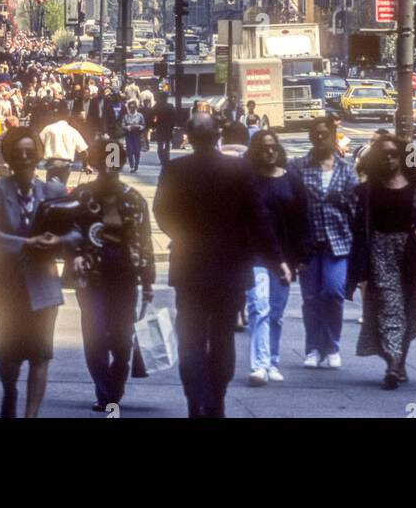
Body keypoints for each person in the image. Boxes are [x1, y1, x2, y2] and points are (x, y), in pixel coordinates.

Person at [153, 112, 278, 418]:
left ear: (190, 139)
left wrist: (180, 235)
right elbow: (257, 215)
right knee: (222, 335)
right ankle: (216, 399)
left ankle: (196, 399)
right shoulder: (239, 169)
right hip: (230, 266)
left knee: (192, 336)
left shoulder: (174, 169)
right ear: (216, 137)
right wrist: (274, 256)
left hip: (190, 264)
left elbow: (161, 211)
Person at [0, 128, 80, 418]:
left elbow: (77, 232)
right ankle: (9, 392)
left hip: (44, 286)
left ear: (38, 156)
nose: (25, 159)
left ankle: (30, 415)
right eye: (19, 154)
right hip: (8, 285)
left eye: (30, 153)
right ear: (10, 157)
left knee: (40, 355)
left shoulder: (54, 191)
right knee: (8, 358)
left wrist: (58, 242)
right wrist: (25, 243)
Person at [347, 134, 416, 388]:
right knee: (390, 304)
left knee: (411, 307)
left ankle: (399, 359)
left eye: (393, 153)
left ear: (402, 155)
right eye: (383, 154)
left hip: (412, 253)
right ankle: (393, 364)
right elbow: (357, 225)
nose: (389, 158)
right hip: (380, 252)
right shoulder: (367, 190)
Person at [70, 135, 156, 411]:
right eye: (104, 164)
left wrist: (148, 280)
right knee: (94, 332)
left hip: (125, 273)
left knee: (121, 337)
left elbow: (144, 241)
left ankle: (114, 387)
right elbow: (68, 233)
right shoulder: (81, 198)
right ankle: (105, 391)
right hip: (92, 274)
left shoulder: (135, 200)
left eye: (113, 164)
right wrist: (74, 257)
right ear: (96, 164)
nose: (108, 170)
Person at [290, 114, 359, 369]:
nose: (320, 138)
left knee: (332, 292)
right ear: (311, 137)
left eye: (325, 134)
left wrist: (343, 203)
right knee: (311, 298)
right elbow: (291, 204)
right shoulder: (298, 167)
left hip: (338, 243)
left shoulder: (346, 169)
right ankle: (312, 349)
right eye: (316, 134)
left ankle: (331, 346)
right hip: (308, 244)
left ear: (333, 137)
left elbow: (356, 208)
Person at [246, 129, 309, 385]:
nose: (269, 151)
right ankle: (259, 365)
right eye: (264, 147)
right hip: (256, 256)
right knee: (259, 307)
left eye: (273, 147)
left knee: (276, 313)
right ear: (256, 152)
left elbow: (303, 219)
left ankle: (272, 360)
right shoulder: (249, 181)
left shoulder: (292, 180)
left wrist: (301, 255)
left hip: (285, 256)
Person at [38, 102, 89, 186]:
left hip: (52, 162)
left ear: (56, 115)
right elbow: (84, 151)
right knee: (62, 187)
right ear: (68, 116)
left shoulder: (49, 128)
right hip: (66, 164)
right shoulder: (73, 131)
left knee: (50, 188)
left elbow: (38, 144)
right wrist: (86, 165)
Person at [121, 97, 146, 173]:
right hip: (129, 134)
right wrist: (128, 127)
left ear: (136, 107)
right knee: (130, 151)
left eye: (133, 107)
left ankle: (136, 165)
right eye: (130, 107)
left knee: (137, 151)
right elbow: (122, 124)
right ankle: (131, 166)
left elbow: (143, 125)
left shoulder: (140, 116)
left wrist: (139, 127)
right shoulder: (126, 116)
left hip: (137, 135)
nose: (132, 108)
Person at [153, 93, 177, 168]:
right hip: (168, 128)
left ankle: (161, 159)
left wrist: (153, 125)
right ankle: (166, 158)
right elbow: (174, 117)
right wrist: (173, 127)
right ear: (166, 98)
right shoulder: (170, 106)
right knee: (167, 144)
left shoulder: (157, 106)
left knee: (160, 144)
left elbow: (152, 115)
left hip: (160, 127)